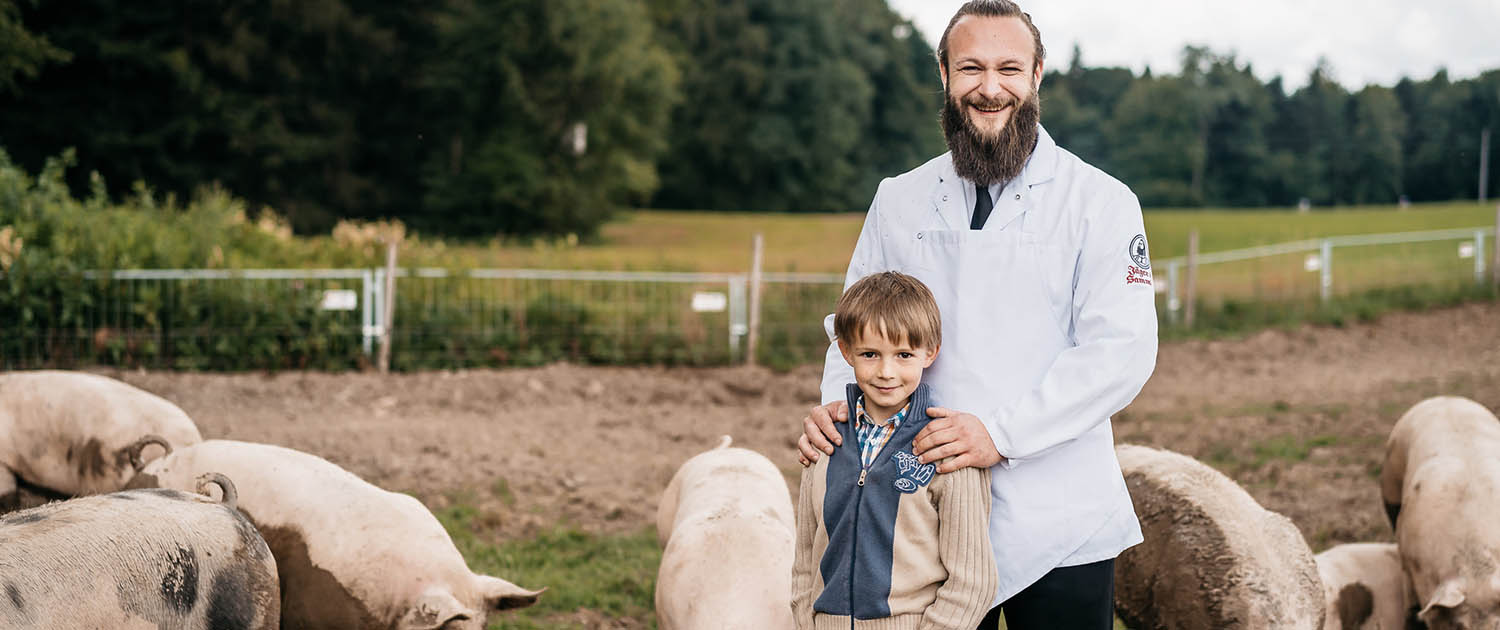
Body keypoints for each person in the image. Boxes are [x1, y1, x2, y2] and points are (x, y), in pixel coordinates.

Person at [795, 1, 1159, 628]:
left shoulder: (1101, 202)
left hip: (1059, 514)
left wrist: (1000, 434)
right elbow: (851, 331)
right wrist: (840, 412)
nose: (990, 88)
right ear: (944, 74)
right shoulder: (899, 199)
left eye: (1009, 68)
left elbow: (1122, 351)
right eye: (971, 68)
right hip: (920, 507)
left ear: (1037, 74)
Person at [791, 271, 997, 630]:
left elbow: (973, 581)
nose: (887, 372)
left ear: (930, 352)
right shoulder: (824, 444)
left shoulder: (947, 450)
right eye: (870, 354)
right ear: (845, 351)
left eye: (904, 354)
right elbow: (805, 562)